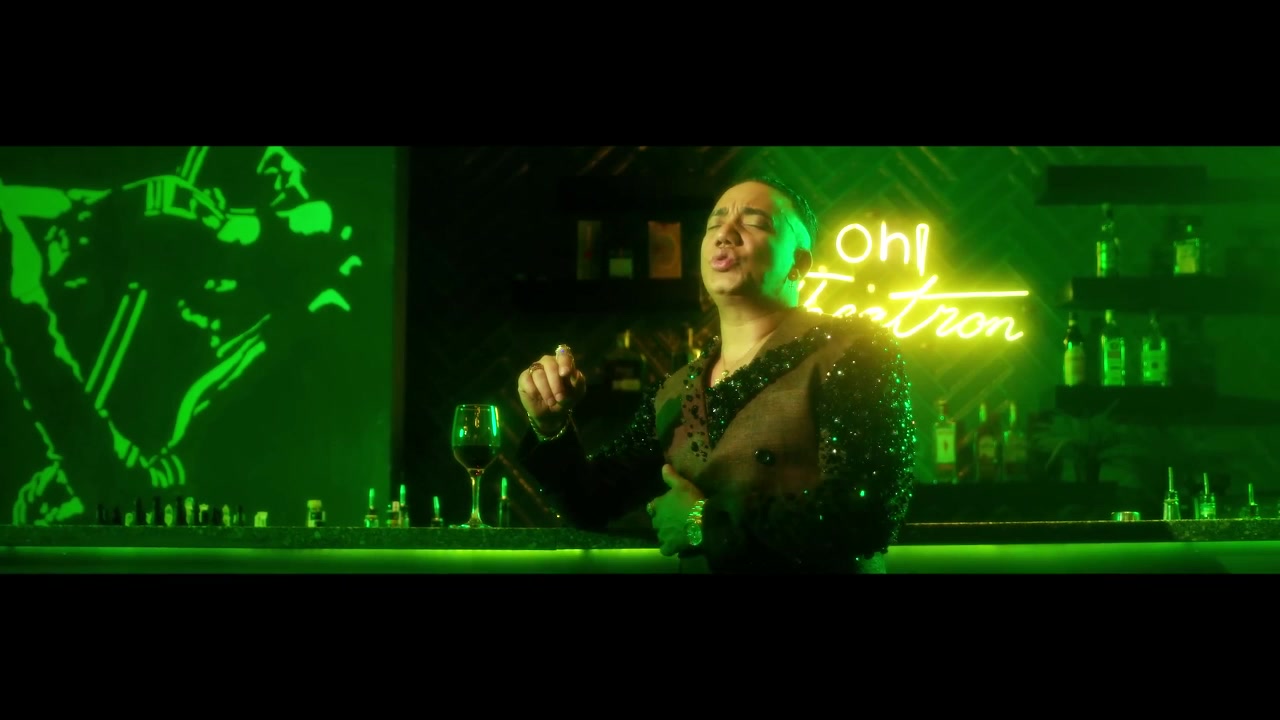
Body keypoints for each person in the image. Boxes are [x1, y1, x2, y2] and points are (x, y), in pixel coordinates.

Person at [516, 176, 916, 573]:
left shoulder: (856, 350)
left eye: (755, 222)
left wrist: (702, 524)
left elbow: (867, 515)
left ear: (798, 264)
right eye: (714, 224)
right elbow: (590, 503)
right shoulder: (676, 390)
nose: (725, 233)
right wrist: (550, 425)